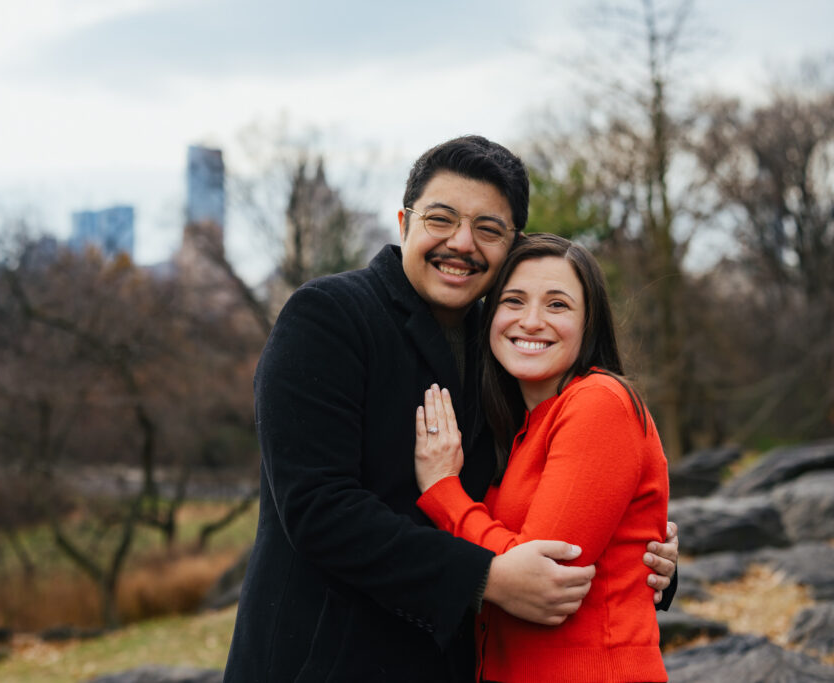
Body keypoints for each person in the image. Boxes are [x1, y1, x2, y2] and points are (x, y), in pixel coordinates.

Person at [223, 136, 677, 682]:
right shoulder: (328, 317)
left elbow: (539, 508)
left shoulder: (507, 348)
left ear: (513, 245)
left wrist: (635, 557)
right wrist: (487, 577)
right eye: (441, 219)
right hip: (328, 661)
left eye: (488, 229)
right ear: (403, 223)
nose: (461, 243)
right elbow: (319, 507)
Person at [415, 233, 670, 682]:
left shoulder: (599, 402)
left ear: (590, 323)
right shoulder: (520, 429)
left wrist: (443, 491)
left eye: (557, 305)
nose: (531, 321)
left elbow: (544, 575)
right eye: (513, 301)